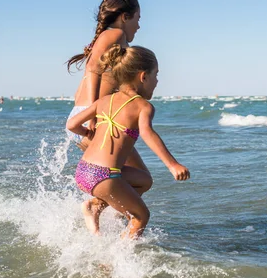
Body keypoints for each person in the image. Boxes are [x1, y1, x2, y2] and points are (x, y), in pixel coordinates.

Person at [67, 45, 190, 238]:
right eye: (156, 75)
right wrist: (172, 165)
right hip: (104, 176)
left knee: (144, 180)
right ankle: (116, 257)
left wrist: (88, 133)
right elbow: (148, 133)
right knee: (141, 216)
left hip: (83, 171)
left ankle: (94, 206)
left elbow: (72, 124)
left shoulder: (105, 100)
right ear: (143, 77)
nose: (157, 81)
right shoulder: (143, 106)